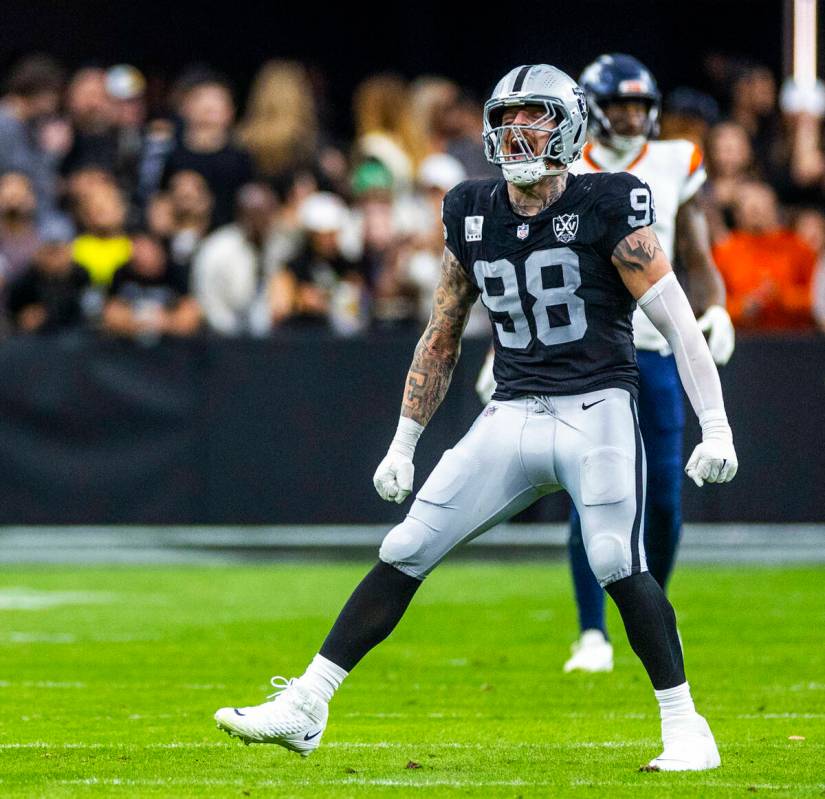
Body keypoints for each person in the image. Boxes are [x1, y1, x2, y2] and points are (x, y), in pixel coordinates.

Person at [214, 64, 738, 772]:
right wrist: (404, 442)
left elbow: (676, 323)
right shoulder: (470, 208)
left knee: (616, 558)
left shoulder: (611, 202)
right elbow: (440, 331)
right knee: (405, 547)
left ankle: (686, 728)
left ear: (569, 126)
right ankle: (307, 703)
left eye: (534, 117)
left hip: (596, 406)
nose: (516, 131)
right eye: (506, 117)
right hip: (512, 410)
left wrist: (716, 425)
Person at [562, 54, 735, 673]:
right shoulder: (559, 165)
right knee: (594, 493)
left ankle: (649, 611)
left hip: (655, 345)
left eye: (640, 105)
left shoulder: (674, 161)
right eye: (620, 105)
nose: (632, 117)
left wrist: (718, 308)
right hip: (583, 351)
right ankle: (591, 633)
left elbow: (696, 250)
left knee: (662, 497)